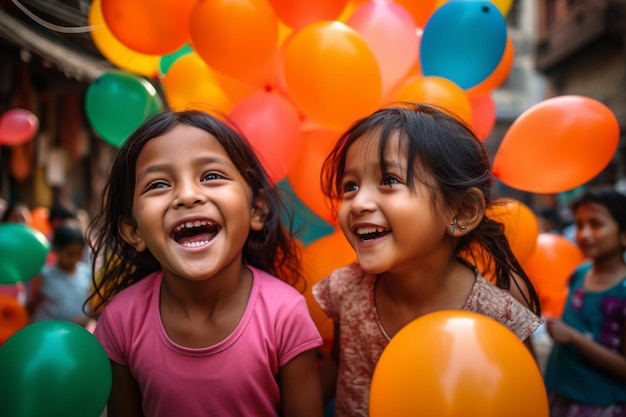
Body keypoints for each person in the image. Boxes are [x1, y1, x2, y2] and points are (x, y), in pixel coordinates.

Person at [86, 110, 323, 417]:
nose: (187, 196)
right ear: (134, 231)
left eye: (211, 176)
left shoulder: (284, 314)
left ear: (257, 210)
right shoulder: (120, 321)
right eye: (158, 184)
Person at [312, 103, 543, 417]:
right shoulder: (346, 289)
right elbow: (338, 362)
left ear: (461, 212)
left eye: (389, 180)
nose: (358, 203)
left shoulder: (496, 317)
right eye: (350, 186)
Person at [543, 187, 626, 416]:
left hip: (600, 404)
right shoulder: (580, 273)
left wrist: (573, 337)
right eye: (579, 225)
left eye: (596, 224)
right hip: (560, 392)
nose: (584, 234)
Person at [27, 222, 91, 326]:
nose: (74, 259)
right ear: (56, 250)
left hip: (76, 335)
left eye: (78, 254)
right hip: (48, 333)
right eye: (70, 254)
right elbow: (31, 305)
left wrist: (86, 319)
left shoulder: (87, 273)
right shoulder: (43, 276)